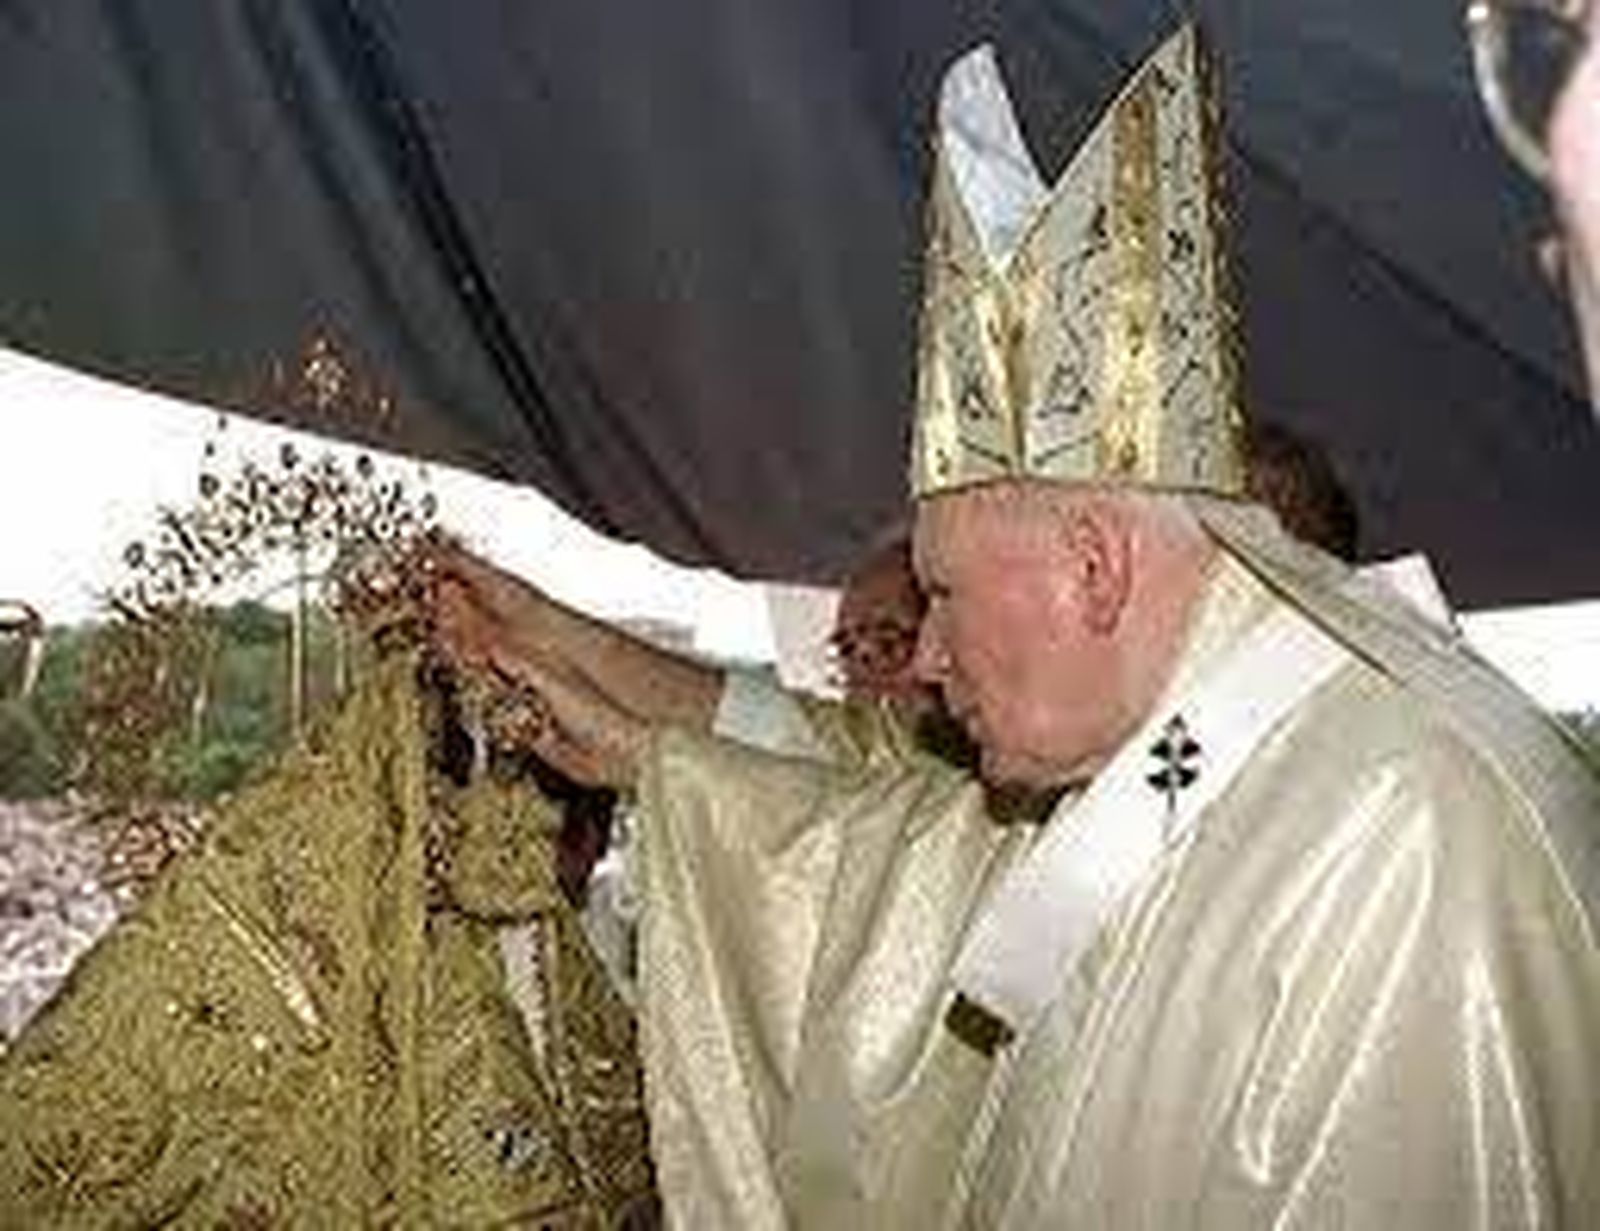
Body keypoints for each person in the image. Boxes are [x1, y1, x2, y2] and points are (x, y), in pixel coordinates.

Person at [434, 24, 1600, 1228]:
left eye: (940, 593)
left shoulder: (1401, 841)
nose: (927, 655)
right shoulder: (1199, 760)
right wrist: (614, 715)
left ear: (1093, 566)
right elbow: (903, 853)